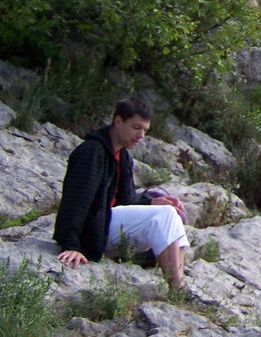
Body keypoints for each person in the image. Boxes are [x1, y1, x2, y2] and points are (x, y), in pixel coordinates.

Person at [54, 97, 189, 288]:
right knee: (166, 215)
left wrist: (151, 203)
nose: (141, 135)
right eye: (136, 127)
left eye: (145, 130)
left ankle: (178, 284)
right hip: (92, 230)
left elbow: (126, 201)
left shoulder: (123, 155)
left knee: (170, 214)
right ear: (118, 121)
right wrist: (71, 246)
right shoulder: (92, 152)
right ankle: (178, 287)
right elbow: (75, 202)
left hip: (108, 223)